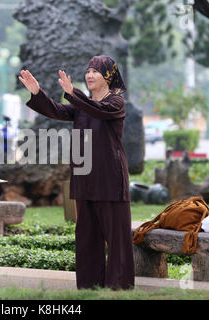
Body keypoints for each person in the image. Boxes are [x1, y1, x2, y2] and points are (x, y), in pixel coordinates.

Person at [18, 55, 135, 290]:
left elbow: (98, 110)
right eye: (88, 71)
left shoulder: (116, 103)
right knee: (87, 237)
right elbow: (57, 110)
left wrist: (74, 94)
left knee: (117, 238)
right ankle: (89, 287)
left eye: (96, 71)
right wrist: (37, 94)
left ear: (108, 76)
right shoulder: (82, 106)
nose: (89, 75)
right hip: (85, 179)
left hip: (110, 181)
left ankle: (119, 288)